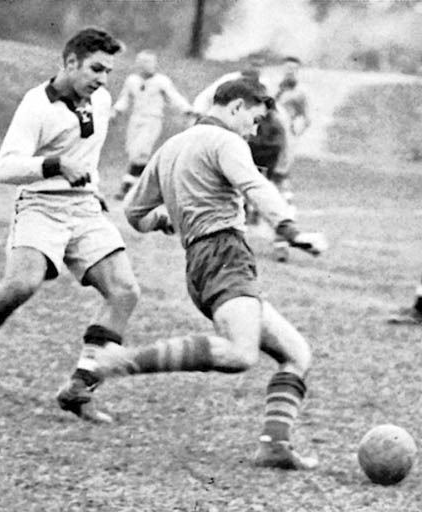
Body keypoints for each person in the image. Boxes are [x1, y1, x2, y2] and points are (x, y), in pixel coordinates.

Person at [91, 79, 327, 469]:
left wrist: (165, 219)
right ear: (235, 107)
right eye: (253, 120)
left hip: (200, 263)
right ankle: (124, 359)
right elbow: (255, 186)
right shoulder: (225, 142)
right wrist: (290, 230)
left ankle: (274, 444)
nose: (254, 131)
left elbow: (134, 212)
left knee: (296, 353)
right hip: (224, 255)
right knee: (239, 353)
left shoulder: (172, 146)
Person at [0, 28, 141, 424]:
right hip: (41, 206)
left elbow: (86, 156)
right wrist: (56, 165)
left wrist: (92, 188)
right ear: (70, 62)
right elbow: (4, 168)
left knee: (125, 291)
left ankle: (81, 386)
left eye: (108, 71)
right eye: (96, 68)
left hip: (85, 210)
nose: (103, 79)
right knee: (20, 286)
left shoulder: (103, 99)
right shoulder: (36, 105)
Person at [193, 66, 295, 262]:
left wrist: (283, 165)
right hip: (249, 152)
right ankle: (247, 230)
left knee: (268, 192)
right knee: (245, 192)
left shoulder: (267, 105)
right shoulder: (234, 106)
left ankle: (281, 239)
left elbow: (284, 132)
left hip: (267, 154)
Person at [111, 50, 194, 200]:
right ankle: (145, 187)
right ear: (138, 64)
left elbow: (174, 97)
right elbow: (125, 98)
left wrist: (186, 109)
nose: (148, 66)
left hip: (152, 119)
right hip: (136, 119)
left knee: (141, 152)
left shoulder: (161, 81)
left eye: (150, 62)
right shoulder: (132, 80)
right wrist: (116, 111)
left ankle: (128, 187)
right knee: (133, 151)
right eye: (144, 62)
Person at [275, 56, 311, 137]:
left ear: (297, 71)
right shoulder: (274, 87)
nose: (290, 71)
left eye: (294, 69)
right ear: (282, 68)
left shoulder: (300, 92)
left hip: (288, 129)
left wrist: (296, 133)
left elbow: (306, 118)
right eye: (288, 68)